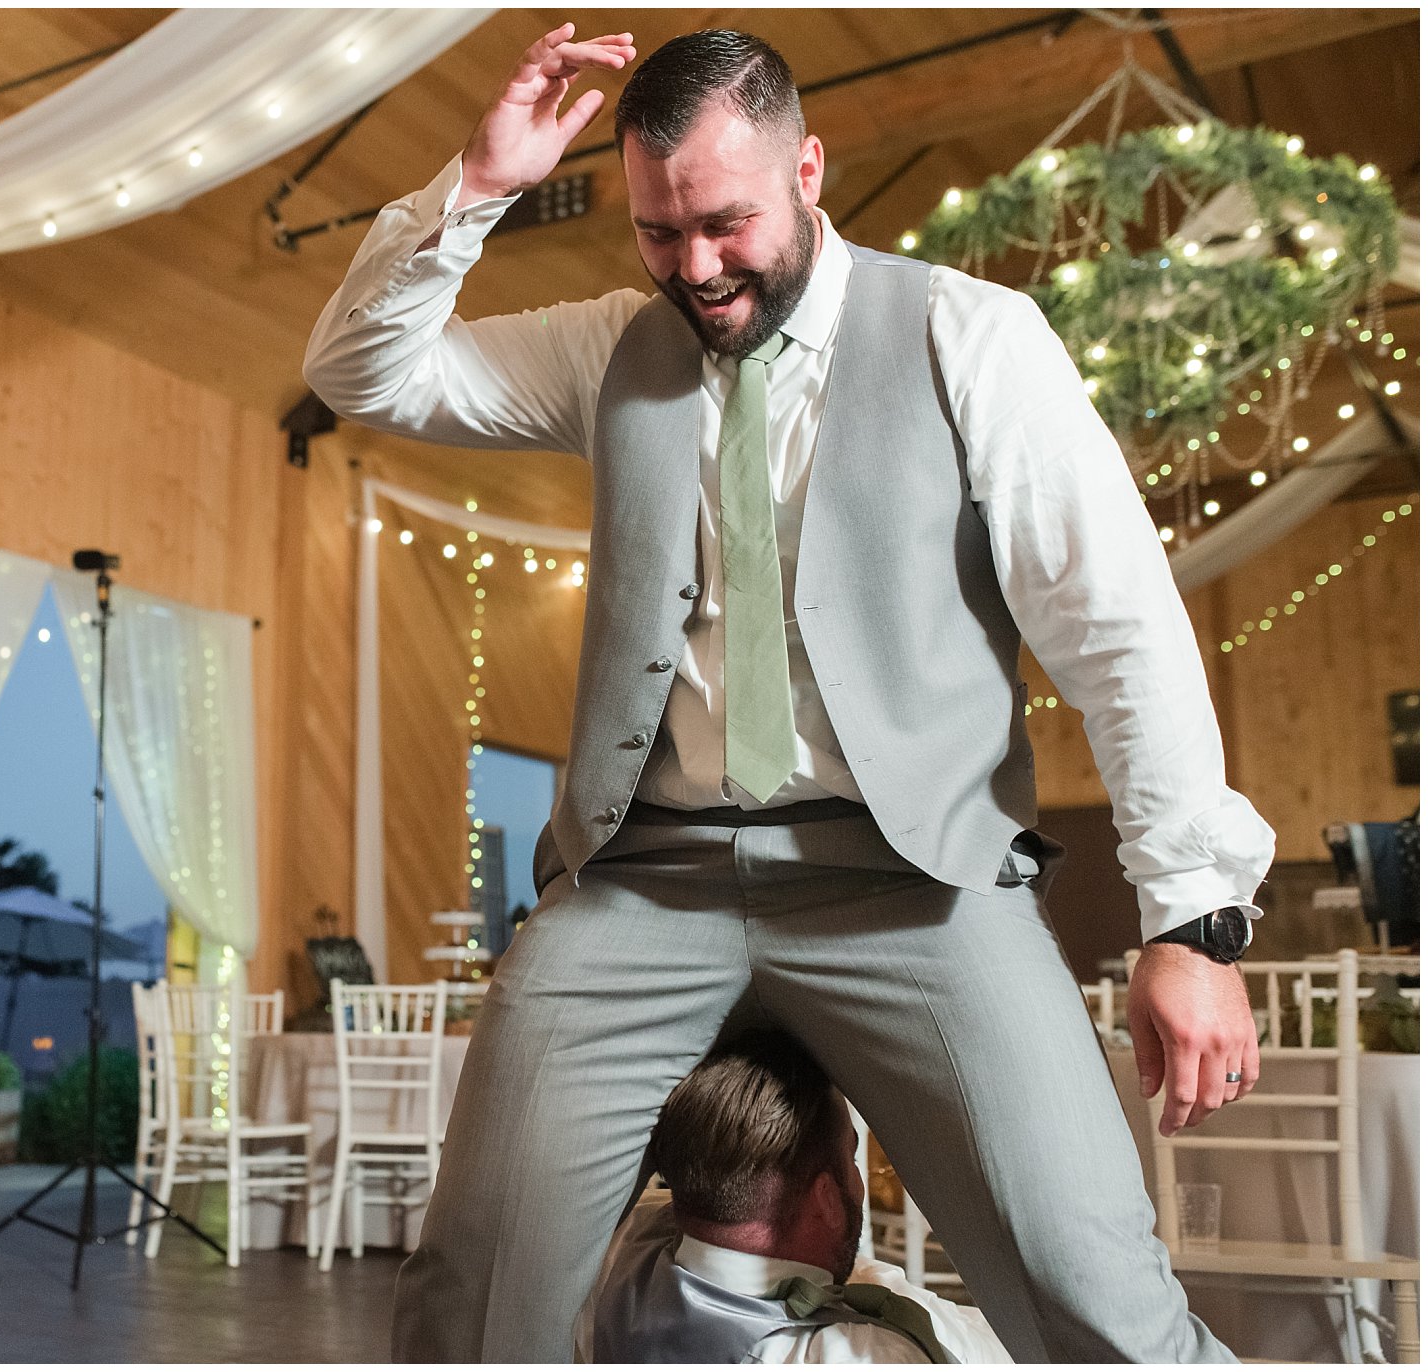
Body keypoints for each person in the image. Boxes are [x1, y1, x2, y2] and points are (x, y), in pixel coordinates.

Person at [304, 25, 1273, 1363]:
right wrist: (476, 185)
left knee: (1092, 1295)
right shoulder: (608, 348)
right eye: (658, 231)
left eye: (726, 221)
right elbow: (362, 373)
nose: (695, 266)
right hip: (645, 879)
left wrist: (1192, 923)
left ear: (808, 169)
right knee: (469, 1301)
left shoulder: (970, 336)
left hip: (911, 882)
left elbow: (1117, 628)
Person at [576, 1030, 1011, 1363]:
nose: (860, 1184)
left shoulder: (612, 1252)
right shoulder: (863, 1355)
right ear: (825, 1198)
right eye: (851, 1157)